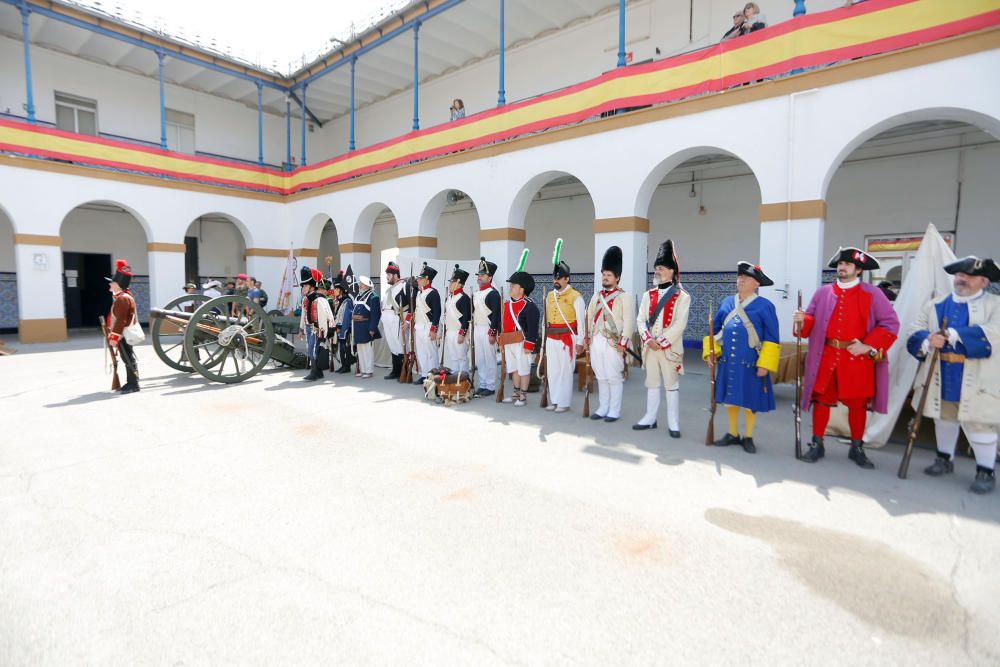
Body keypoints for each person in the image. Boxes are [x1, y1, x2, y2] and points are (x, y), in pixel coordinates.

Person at [793, 247, 899, 468]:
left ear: (858, 269)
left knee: (857, 405)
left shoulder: (873, 293)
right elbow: (811, 321)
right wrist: (802, 319)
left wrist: (868, 345)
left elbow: (890, 323)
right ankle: (817, 443)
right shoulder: (823, 292)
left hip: (856, 359)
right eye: (840, 264)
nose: (842, 267)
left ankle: (856, 447)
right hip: (826, 355)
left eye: (847, 264)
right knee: (821, 400)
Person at [907, 256, 1000, 494]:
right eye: (959, 275)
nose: (962, 279)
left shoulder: (995, 304)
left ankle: (985, 470)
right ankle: (944, 458)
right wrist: (928, 339)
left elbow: (995, 332)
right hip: (942, 371)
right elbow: (914, 329)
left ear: (984, 281)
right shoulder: (936, 304)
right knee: (944, 417)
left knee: (980, 424)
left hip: (978, 375)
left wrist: (952, 334)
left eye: (968, 276)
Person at [703, 262, 781, 453]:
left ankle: (748, 436)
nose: (741, 280)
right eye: (739, 276)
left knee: (750, 400)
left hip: (752, 362)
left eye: (746, 277)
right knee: (730, 399)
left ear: (757, 284)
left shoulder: (765, 306)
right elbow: (715, 330)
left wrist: (766, 364)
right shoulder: (727, 302)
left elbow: (772, 337)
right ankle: (732, 433)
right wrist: (710, 352)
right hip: (729, 361)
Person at [634, 240, 690, 437]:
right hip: (651, 348)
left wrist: (662, 342)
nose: (658, 271)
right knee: (652, 382)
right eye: (656, 268)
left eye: (662, 268)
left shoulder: (683, 297)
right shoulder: (647, 295)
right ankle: (650, 417)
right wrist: (648, 339)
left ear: (672, 272)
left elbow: (680, 324)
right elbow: (640, 320)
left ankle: (673, 422)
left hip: (669, 349)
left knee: (671, 385)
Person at [585, 246, 635, 423]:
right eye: (604, 274)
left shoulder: (624, 297)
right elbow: (589, 316)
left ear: (617, 278)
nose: (605, 278)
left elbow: (629, 321)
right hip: (596, 340)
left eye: (609, 275)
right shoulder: (596, 296)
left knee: (614, 376)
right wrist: (588, 336)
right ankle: (602, 407)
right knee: (601, 375)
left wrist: (624, 341)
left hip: (614, 342)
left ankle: (614, 410)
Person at [543, 239, 586, 413]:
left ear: (567, 279)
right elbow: (545, 319)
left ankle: (564, 402)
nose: (556, 280)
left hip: (568, 337)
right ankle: (554, 400)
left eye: (559, 278)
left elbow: (581, 322)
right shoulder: (549, 296)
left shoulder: (576, 296)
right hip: (551, 336)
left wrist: (580, 341)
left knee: (565, 372)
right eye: (555, 277)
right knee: (553, 370)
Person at [501, 251, 541, 407]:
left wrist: (529, 344)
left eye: (513, 286)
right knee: (514, 369)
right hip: (509, 341)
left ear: (522, 289)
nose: (510, 288)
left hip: (522, 342)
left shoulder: (529, 306)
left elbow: (532, 327)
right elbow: (502, 325)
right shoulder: (506, 304)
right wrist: (501, 342)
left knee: (524, 369)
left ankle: (523, 396)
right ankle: (515, 392)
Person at [106, 259, 140, 394]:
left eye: (112, 282)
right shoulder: (121, 297)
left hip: (123, 333)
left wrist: (114, 336)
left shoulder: (122, 298)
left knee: (128, 358)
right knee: (127, 358)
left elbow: (121, 320)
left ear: (118, 284)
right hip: (122, 333)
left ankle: (133, 384)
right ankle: (131, 382)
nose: (110, 284)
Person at [472, 257, 502, 397]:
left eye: (483, 275)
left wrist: (493, 332)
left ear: (490, 278)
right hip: (478, 328)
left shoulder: (493, 293)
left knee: (489, 358)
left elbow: (496, 315)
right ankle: (483, 383)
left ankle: (490, 385)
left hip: (487, 329)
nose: (479, 277)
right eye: (479, 274)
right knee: (480, 358)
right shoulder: (477, 293)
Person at [298, 266, 334, 382]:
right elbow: (304, 315)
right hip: (309, 328)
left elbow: (324, 318)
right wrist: (301, 329)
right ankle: (318, 372)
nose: (303, 288)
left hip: (317, 330)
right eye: (303, 286)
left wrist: (322, 334)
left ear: (312, 286)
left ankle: (315, 372)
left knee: (315, 350)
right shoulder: (306, 300)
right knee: (311, 350)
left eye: (305, 286)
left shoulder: (319, 300)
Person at [412, 263, 442, 384]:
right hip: (419, 326)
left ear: (427, 279)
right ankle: (424, 374)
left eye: (420, 278)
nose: (418, 280)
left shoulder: (433, 293)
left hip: (428, 326)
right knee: (421, 352)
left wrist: (434, 329)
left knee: (431, 352)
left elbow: (437, 313)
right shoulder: (420, 293)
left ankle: (433, 375)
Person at [381, 262, 407, 380]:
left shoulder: (403, 286)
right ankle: (395, 370)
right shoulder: (389, 289)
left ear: (396, 275)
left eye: (389, 274)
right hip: (386, 317)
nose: (387, 276)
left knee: (398, 345)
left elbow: (407, 305)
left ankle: (403, 371)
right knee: (392, 345)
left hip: (395, 317)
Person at [444, 265, 472, 373]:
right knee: (454, 357)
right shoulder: (450, 297)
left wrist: (462, 333)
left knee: (462, 357)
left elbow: (466, 318)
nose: (450, 284)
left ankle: (463, 379)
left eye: (452, 282)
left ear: (459, 283)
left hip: (458, 332)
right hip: (450, 331)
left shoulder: (464, 298)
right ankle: (455, 378)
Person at [351, 275, 381, 379]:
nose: (360, 285)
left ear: (367, 285)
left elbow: (375, 314)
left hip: (366, 325)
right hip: (357, 326)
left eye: (362, 284)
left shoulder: (373, 296)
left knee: (367, 349)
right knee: (360, 348)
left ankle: (369, 370)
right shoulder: (359, 296)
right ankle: (363, 369)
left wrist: (372, 328)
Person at [333, 272, 355, 374]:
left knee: (345, 348)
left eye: (337, 289)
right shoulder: (339, 301)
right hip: (339, 329)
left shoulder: (347, 301)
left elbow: (346, 317)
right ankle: (343, 365)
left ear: (341, 290)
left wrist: (341, 327)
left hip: (345, 329)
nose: (335, 291)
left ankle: (347, 366)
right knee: (341, 348)